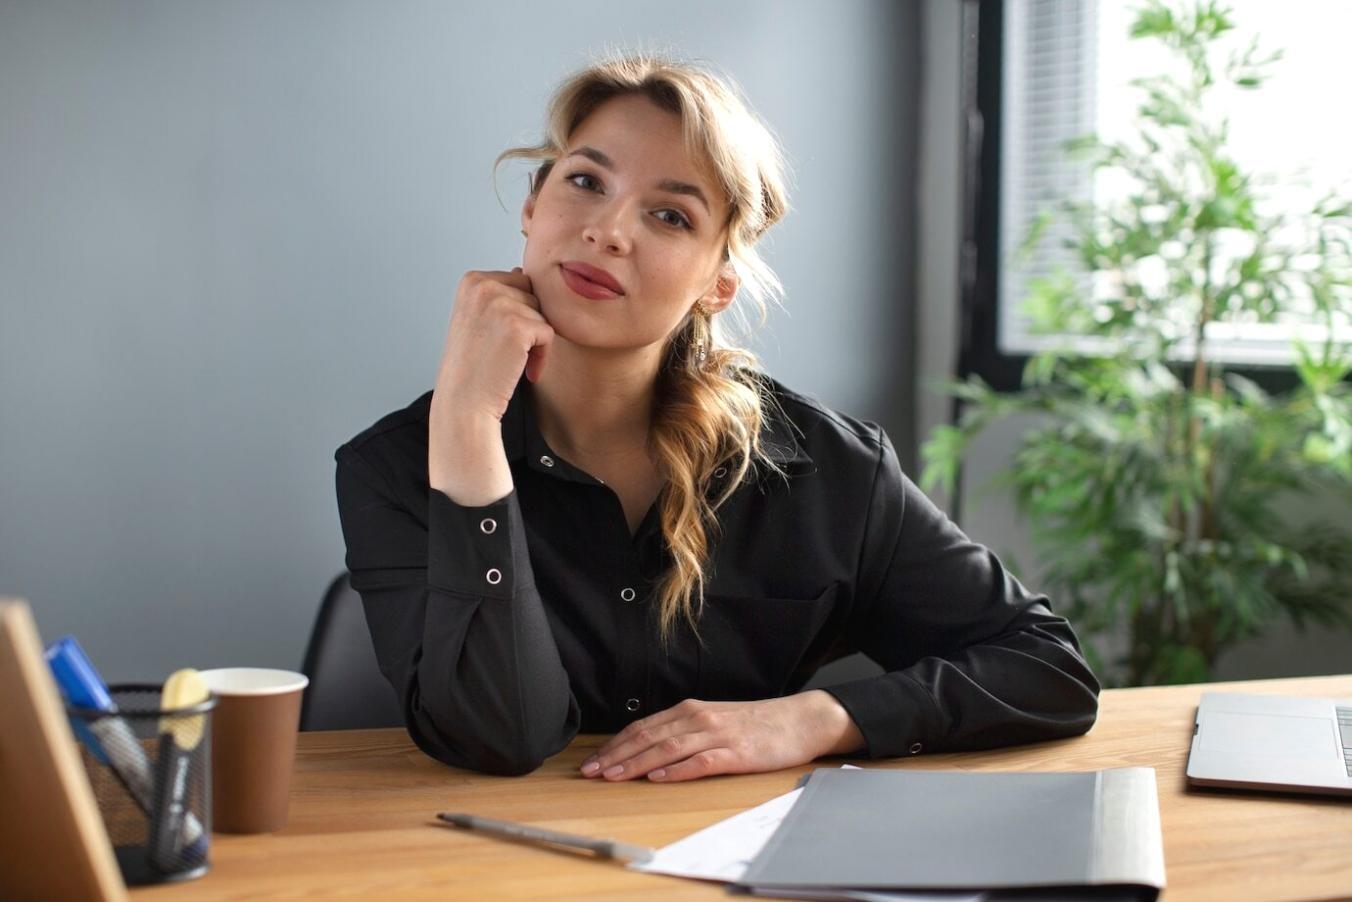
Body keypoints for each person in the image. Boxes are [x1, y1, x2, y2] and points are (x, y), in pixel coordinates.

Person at [334, 54, 1099, 780]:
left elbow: (1046, 667)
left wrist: (816, 718)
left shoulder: (830, 470)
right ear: (533, 208)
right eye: (586, 181)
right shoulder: (395, 469)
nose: (609, 231)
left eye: (670, 216)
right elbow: (501, 737)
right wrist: (469, 426)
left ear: (717, 284)